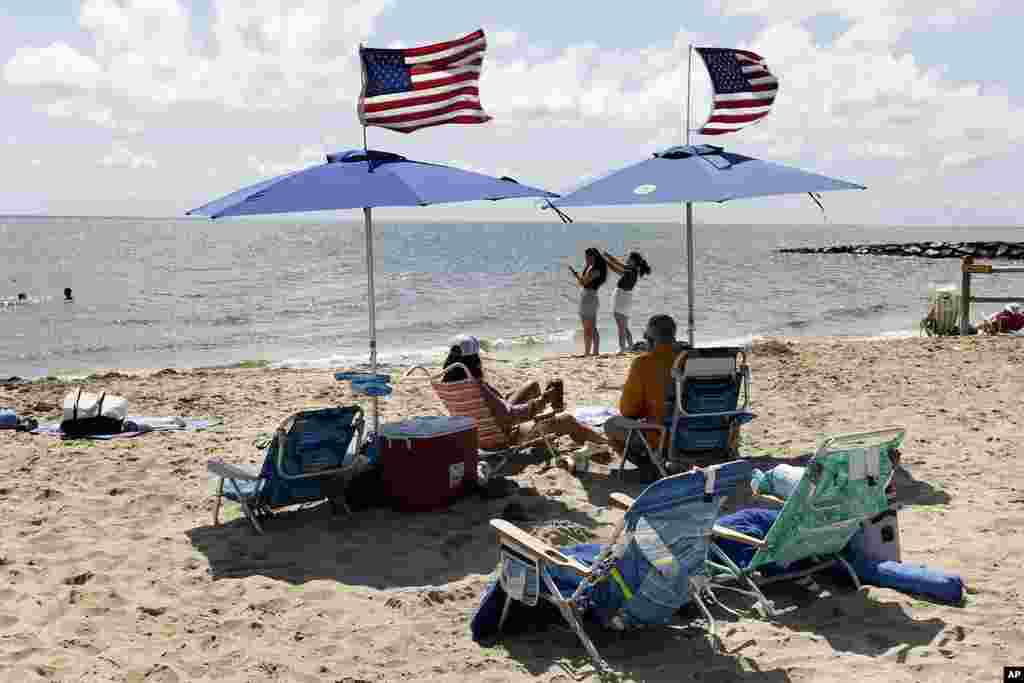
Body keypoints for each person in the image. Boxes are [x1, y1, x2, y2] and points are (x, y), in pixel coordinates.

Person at [442, 334, 607, 447]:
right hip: (504, 436)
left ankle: (548, 418)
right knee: (569, 420)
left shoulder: (449, 384)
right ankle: (605, 445)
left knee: (532, 385)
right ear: (474, 360)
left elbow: (497, 409)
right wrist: (543, 400)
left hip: (477, 434)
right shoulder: (476, 387)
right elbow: (511, 416)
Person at [603, 314, 681, 468]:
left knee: (611, 425)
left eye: (646, 337)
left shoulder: (644, 363)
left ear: (650, 340)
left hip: (663, 438)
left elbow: (628, 411)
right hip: (705, 435)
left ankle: (651, 465)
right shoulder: (690, 359)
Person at [602, 250, 652, 353]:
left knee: (621, 325)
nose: (627, 260)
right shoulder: (633, 270)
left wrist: (606, 260)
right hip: (625, 297)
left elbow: (616, 268)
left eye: (629, 258)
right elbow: (618, 264)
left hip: (622, 297)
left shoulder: (631, 270)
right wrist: (607, 256)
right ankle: (630, 346)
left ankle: (622, 348)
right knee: (623, 325)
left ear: (633, 261)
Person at [568, 247, 608, 356]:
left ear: (593, 257)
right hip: (588, 297)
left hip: (589, 298)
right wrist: (586, 267)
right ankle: (593, 352)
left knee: (588, 328)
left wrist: (575, 273)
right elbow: (584, 281)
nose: (586, 259)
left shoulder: (596, 270)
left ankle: (590, 352)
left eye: (588, 257)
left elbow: (583, 282)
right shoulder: (593, 268)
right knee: (591, 327)